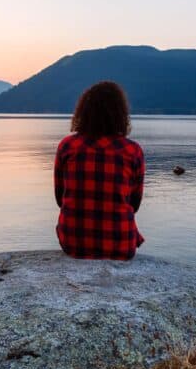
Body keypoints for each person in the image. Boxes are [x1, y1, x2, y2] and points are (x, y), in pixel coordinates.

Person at [54, 81, 145, 260]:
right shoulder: (132, 151)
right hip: (121, 245)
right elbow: (134, 204)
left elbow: (60, 199)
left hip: (73, 243)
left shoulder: (68, 146)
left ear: (83, 111)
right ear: (121, 114)